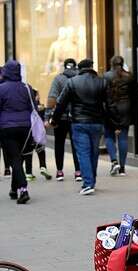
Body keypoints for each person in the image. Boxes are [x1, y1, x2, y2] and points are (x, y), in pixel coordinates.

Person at [50, 59, 107, 195]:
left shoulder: (72, 82)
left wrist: (54, 119)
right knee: (94, 152)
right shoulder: (102, 82)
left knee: (83, 153)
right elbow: (108, 103)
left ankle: (88, 183)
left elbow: (61, 102)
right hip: (97, 122)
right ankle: (91, 180)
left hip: (79, 122)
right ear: (91, 67)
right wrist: (110, 121)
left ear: (80, 69)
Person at [0, 60, 41, 204]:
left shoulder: (1, 88)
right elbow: (34, 107)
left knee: (14, 159)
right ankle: (13, 188)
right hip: (26, 128)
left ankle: (23, 189)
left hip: (6, 128)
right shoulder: (27, 88)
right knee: (19, 158)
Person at [45, 58, 81, 181]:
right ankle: (78, 172)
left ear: (64, 67)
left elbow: (52, 98)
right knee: (76, 144)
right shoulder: (79, 79)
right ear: (76, 67)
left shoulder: (58, 79)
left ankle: (60, 171)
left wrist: (48, 116)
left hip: (60, 117)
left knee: (59, 143)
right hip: (76, 117)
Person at [103, 56, 136, 176]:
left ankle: (113, 160)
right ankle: (122, 168)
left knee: (108, 135)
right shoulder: (129, 76)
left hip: (111, 108)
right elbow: (134, 95)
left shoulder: (106, 76)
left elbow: (104, 94)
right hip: (125, 109)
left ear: (111, 64)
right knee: (123, 138)